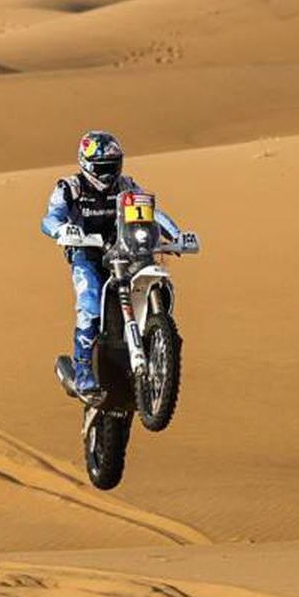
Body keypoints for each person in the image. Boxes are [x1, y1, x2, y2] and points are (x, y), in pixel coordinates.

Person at [40, 130, 182, 397]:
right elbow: (49, 218)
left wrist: (175, 233)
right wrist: (62, 231)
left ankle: (161, 346)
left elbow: (153, 214)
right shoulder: (70, 187)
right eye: (102, 168)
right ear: (87, 165)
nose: (108, 174)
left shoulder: (126, 186)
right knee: (91, 303)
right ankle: (83, 373)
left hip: (127, 249)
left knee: (160, 284)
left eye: (113, 167)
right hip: (88, 252)